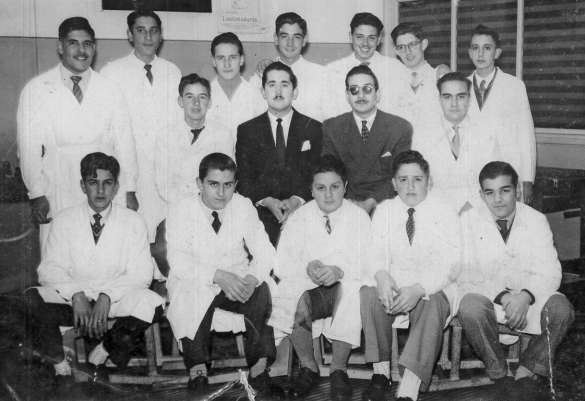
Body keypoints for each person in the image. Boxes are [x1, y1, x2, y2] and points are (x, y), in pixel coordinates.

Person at [23, 152, 164, 391]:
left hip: (115, 300)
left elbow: (141, 273)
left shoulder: (133, 221)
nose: (100, 190)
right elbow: (49, 268)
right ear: (82, 185)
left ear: (116, 187)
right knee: (31, 297)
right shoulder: (64, 219)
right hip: (74, 303)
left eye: (107, 183)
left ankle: (104, 350)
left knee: (154, 304)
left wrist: (107, 296)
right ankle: (60, 365)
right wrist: (76, 295)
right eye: (93, 182)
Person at [165, 153, 285, 398]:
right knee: (189, 292)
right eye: (213, 184)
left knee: (263, 287)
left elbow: (265, 251)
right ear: (199, 183)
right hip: (198, 279)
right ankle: (198, 372)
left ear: (235, 184)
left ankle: (259, 369)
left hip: (238, 280)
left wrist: (252, 278)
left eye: (228, 185)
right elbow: (178, 262)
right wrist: (217, 275)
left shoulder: (243, 205)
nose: (221, 193)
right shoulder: (180, 210)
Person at [16, 17, 138, 252]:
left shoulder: (111, 89)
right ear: (60, 46)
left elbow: (125, 143)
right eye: (74, 43)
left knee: (107, 251)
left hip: (104, 184)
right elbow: (29, 148)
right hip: (59, 183)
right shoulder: (37, 89)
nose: (82, 50)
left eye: (88, 44)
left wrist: (130, 187)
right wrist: (37, 193)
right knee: (62, 253)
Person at [457, 161, 574, 400]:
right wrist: (504, 297)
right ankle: (499, 374)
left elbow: (551, 271)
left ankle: (526, 370)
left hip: (529, 300)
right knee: (469, 307)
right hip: (492, 299)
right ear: (481, 194)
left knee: (562, 310)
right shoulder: (468, 221)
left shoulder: (536, 219)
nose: (498, 200)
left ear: (518, 190)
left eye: (505, 190)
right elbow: (466, 273)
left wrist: (525, 297)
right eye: (490, 193)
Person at [269, 155, 371, 401]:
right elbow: (281, 263)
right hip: (312, 290)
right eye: (321, 188)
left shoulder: (359, 217)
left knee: (352, 291)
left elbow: (370, 260)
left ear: (345, 186)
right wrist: (306, 267)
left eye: (334, 187)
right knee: (288, 293)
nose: (328, 195)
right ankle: (309, 367)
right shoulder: (299, 217)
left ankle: (338, 369)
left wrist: (340, 270)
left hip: (345, 286)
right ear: (311, 190)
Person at [360, 150, 460, 401]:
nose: (410, 186)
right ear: (394, 184)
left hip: (432, 285)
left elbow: (451, 263)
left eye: (417, 179)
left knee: (432, 302)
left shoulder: (444, 209)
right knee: (369, 293)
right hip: (396, 283)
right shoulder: (385, 210)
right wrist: (381, 274)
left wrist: (419, 288)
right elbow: (373, 252)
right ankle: (381, 373)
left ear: (429, 181)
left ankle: (409, 386)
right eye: (403, 180)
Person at [100, 10, 182, 245]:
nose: (148, 37)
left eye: (153, 31)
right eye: (141, 30)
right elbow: (110, 132)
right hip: (129, 171)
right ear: (129, 35)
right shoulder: (112, 73)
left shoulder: (172, 71)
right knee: (132, 238)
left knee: (167, 239)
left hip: (165, 169)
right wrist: (127, 183)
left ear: (160, 35)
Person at [236, 62, 323, 246]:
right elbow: (244, 179)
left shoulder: (314, 128)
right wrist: (267, 201)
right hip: (261, 213)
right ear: (263, 92)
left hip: (304, 209)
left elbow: (318, 174)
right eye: (271, 84)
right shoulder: (247, 130)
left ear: (295, 92)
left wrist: (296, 201)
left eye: (284, 84)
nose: (278, 91)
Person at [322, 65, 412, 215]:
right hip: (344, 203)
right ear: (347, 95)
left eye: (367, 89)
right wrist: (349, 204)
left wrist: (370, 202)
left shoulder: (399, 127)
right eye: (354, 90)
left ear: (377, 94)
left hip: (384, 203)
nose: (361, 95)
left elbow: (401, 176)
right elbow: (329, 174)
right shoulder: (332, 127)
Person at [466, 24, 536, 204]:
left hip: (507, 170)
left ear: (497, 53)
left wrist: (527, 179)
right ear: (470, 53)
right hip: (472, 174)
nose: (480, 54)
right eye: (476, 48)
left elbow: (526, 135)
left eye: (487, 48)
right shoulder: (462, 86)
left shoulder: (514, 86)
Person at [419, 72, 501, 213]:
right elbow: (419, 182)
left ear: (469, 99)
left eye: (461, 96)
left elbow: (495, 181)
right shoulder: (422, 136)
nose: (454, 103)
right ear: (439, 99)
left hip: (477, 210)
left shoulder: (487, 135)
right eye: (447, 97)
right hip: (435, 212)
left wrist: (469, 209)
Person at [155, 73, 234, 206]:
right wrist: (190, 207)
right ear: (180, 101)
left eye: (202, 97)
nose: (196, 103)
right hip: (176, 206)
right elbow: (164, 186)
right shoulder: (165, 136)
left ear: (209, 102)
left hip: (212, 205)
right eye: (189, 96)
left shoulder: (223, 135)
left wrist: (203, 207)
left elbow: (225, 179)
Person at [325, 12, 413, 118]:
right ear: (350, 37)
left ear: (379, 39)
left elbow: (406, 110)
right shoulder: (333, 71)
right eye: (359, 37)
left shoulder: (396, 68)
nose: (365, 43)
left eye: (371, 38)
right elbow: (330, 113)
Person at [250, 12, 329, 122]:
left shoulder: (322, 75)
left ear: (304, 40)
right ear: (276, 38)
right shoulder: (260, 75)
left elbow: (329, 120)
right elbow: (252, 119)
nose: (290, 43)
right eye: (284, 37)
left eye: (296, 37)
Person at [389, 23, 445, 145]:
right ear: (396, 51)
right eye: (402, 47)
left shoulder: (440, 78)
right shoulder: (391, 84)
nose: (408, 52)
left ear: (423, 44)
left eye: (413, 44)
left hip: (436, 150)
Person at [207, 32, 264, 145]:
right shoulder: (205, 95)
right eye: (221, 58)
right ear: (214, 61)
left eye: (232, 57)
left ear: (241, 60)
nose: (227, 64)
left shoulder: (256, 94)